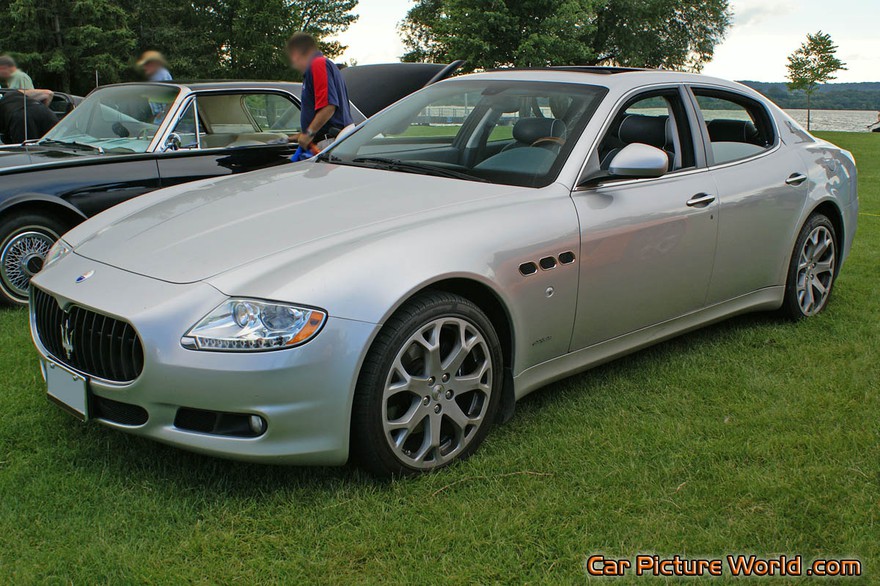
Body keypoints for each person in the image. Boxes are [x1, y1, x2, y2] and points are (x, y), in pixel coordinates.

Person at [286, 33, 354, 151]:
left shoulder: (318, 64)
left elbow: (328, 106)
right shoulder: (319, 67)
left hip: (329, 141)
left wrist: (308, 134)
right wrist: (296, 137)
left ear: (297, 53)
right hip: (329, 139)